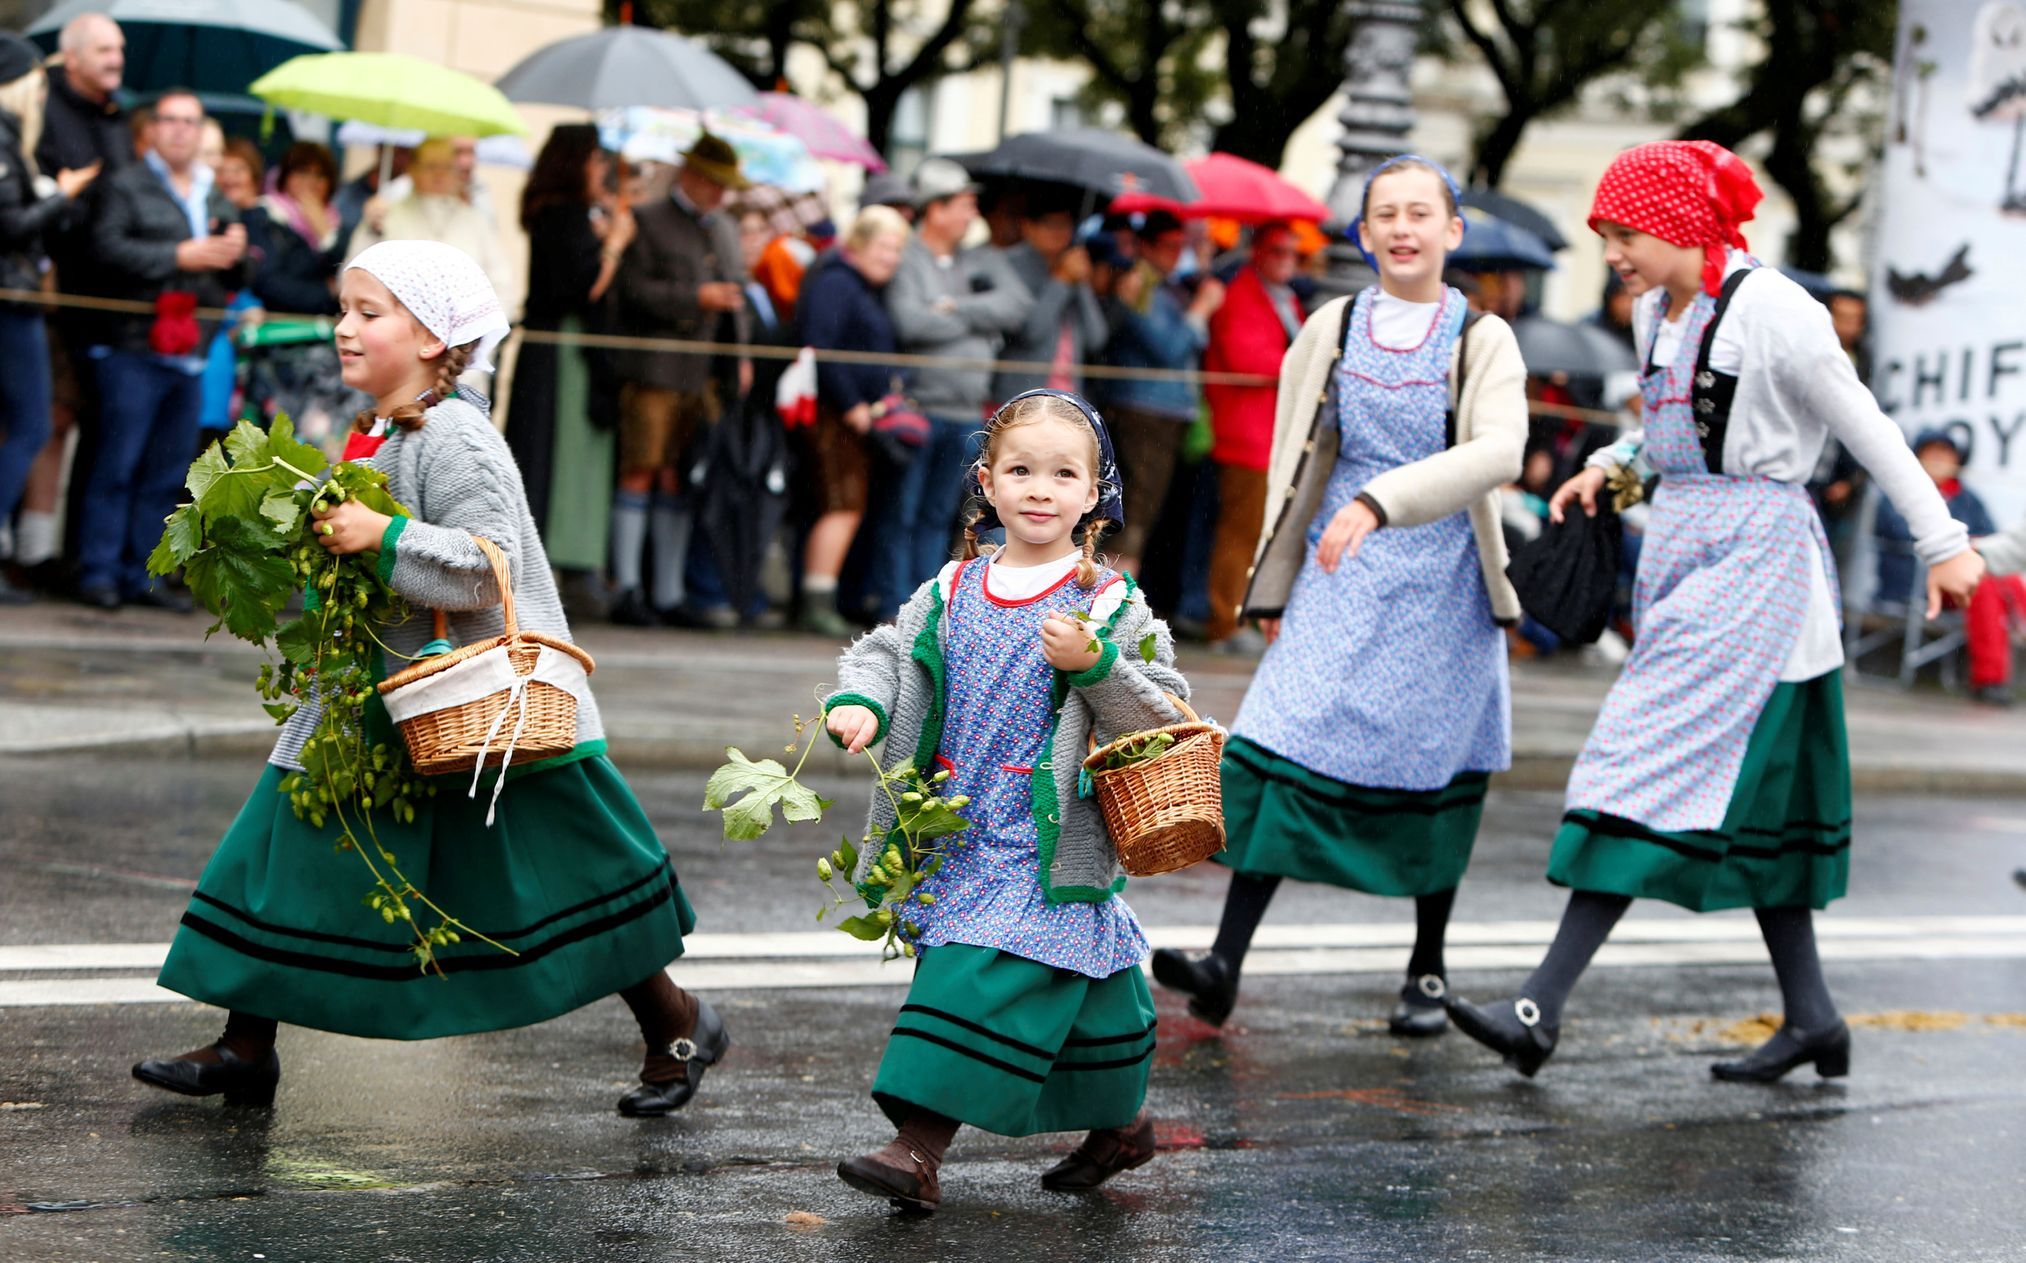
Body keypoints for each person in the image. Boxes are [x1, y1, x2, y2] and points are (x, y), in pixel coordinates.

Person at [131, 241, 725, 1117]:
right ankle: (245, 1046)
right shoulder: (379, 429)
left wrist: (382, 537)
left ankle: (677, 1024)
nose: (344, 328)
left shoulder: (455, 436)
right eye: (344, 308)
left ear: (434, 338)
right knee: (283, 845)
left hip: (477, 700)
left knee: (571, 876)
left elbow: (490, 568)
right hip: (372, 695)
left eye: (369, 313)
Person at [1444, 141, 1984, 1083]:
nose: (1612, 254)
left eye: (1624, 234)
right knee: (1760, 811)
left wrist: (1944, 543)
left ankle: (1541, 1003)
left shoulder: (1779, 312)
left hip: (1760, 567)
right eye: (1606, 235)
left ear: (1685, 221)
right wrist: (1612, 470)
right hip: (1690, 562)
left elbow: (1871, 429)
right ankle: (1814, 1017)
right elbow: (1669, 434)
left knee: (1635, 759)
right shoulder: (1662, 306)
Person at [1152, 156, 1527, 1036]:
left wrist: (1381, 500)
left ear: (1451, 232)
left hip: (1443, 571)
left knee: (1433, 765)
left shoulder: (1486, 338)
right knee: (1276, 738)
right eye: (1384, 215)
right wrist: (1270, 580)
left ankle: (1426, 972)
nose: (1402, 229)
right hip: (1337, 564)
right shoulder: (1333, 322)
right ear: (1362, 235)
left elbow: (1501, 451)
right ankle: (1224, 961)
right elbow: (1293, 457)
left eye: (1420, 214)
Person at [823, 389, 1185, 1212]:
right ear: (987, 482)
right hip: (957, 821)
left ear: (1093, 494)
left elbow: (1167, 712)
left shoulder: (1110, 605)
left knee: (974, 974)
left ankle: (917, 1148)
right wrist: (864, 702)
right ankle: (1121, 1120)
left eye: (1064, 474)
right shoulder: (952, 588)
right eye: (1020, 470)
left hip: (1045, 834)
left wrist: (1097, 665)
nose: (1040, 489)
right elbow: (885, 652)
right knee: (1072, 977)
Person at [77, 88, 246, 611]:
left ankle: (141, 575)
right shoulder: (124, 183)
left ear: (200, 132)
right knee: (117, 464)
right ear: (151, 129)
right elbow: (102, 251)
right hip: (132, 346)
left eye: (190, 122)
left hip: (192, 350)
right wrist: (178, 254)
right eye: (170, 120)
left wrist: (239, 254)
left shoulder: (213, 193)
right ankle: (99, 572)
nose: (180, 130)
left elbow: (235, 274)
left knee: (166, 473)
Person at [608, 133, 752, 626]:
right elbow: (632, 292)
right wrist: (696, 297)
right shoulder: (648, 220)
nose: (720, 194)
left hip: (703, 377)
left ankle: (667, 594)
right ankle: (627, 588)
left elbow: (738, 299)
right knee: (641, 469)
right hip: (653, 370)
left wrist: (742, 359)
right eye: (714, 183)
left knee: (677, 480)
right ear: (691, 176)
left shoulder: (725, 230)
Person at [878, 158, 1028, 617]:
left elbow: (1015, 306)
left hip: (965, 408)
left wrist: (950, 307)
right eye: (963, 205)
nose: (972, 215)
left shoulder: (977, 260)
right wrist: (974, 321)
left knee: (941, 515)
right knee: (901, 512)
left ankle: (926, 607)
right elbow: (909, 322)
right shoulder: (907, 258)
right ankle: (895, 604)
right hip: (920, 406)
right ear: (935, 210)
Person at [502, 125, 629, 599]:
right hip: (564, 350)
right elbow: (584, 284)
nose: (603, 170)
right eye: (597, 159)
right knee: (560, 454)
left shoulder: (557, 214)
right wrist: (614, 243)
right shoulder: (564, 214)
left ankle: (566, 562)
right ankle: (562, 562)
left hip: (559, 346)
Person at [0, 35, 99, 604]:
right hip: (11, 305)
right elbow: (11, 226)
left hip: (18, 300)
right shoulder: (3, 137)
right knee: (32, 425)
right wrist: (59, 195)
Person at [794, 206, 910, 636]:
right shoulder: (837, 282)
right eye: (884, 246)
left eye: (897, 249)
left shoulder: (861, 286)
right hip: (836, 415)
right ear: (860, 243)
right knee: (841, 505)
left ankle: (827, 595)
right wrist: (851, 406)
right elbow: (821, 346)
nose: (891, 257)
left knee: (847, 505)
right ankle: (816, 601)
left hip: (858, 415)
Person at [1102, 210, 1224, 577]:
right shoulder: (1138, 283)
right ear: (1146, 246)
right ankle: (1114, 601)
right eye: (1169, 247)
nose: (1176, 255)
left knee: (1145, 514)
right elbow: (1168, 349)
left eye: (1180, 247)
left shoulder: (1166, 285)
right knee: (1133, 514)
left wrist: (1203, 264)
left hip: (1163, 411)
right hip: (1142, 410)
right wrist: (1201, 309)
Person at [1202, 222, 1304, 651]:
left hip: (1269, 430)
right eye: (1278, 250)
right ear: (1258, 252)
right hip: (1246, 430)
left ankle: (1242, 615)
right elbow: (1249, 358)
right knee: (1240, 530)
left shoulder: (1282, 298)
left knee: (1258, 528)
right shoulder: (1243, 295)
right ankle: (1227, 619)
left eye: (1293, 254)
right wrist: (1299, 363)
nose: (1286, 260)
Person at [1875, 430, 2022, 705]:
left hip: (1963, 582)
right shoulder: (1902, 493)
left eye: (1947, 453)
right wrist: (1954, 548)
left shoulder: (1967, 498)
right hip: (1919, 580)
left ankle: (1993, 675)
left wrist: (1967, 549)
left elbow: (1990, 536)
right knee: (1987, 581)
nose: (1941, 460)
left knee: (2000, 578)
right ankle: (1990, 679)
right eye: (1933, 453)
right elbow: (1897, 532)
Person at [991, 195, 1108, 403]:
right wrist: (1060, 281)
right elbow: (1030, 332)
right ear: (1028, 227)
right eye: (1051, 225)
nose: (1060, 233)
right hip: (1021, 396)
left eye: (1066, 225)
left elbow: (1096, 338)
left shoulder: (1073, 265)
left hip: (1068, 398)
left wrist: (1080, 284)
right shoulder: (1009, 265)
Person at [345, 138, 505, 290]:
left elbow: (500, 281)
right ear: (412, 169)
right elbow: (355, 274)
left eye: (447, 167)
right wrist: (372, 228)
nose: (439, 174)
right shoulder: (387, 214)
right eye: (431, 166)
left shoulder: (475, 220)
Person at [213, 136, 263, 211]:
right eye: (222, 171)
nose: (229, 178)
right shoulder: (207, 218)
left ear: (254, 177)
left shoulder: (271, 217)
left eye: (237, 171)